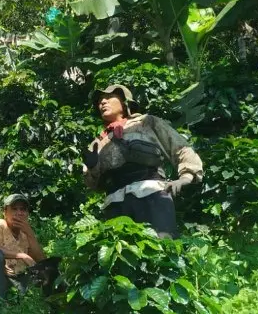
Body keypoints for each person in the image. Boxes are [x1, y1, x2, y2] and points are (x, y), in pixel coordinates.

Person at [83, 84, 204, 238]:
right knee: (123, 257)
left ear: (125, 101)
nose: (103, 102)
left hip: (151, 193)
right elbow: (93, 185)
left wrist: (186, 177)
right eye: (100, 101)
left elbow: (180, 147)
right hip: (115, 203)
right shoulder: (98, 142)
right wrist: (93, 167)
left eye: (108, 97)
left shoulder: (147, 122)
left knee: (162, 249)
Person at [0, 193, 49, 298]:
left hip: (15, 279)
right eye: (14, 209)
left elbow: (41, 261)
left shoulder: (24, 234)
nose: (19, 213)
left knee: (49, 267)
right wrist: (22, 255)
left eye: (23, 209)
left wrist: (30, 234)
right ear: (5, 212)